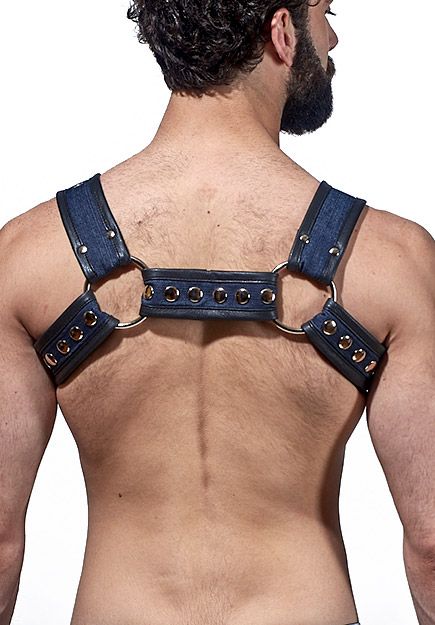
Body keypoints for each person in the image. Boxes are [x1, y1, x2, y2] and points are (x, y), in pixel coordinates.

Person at [0, 0, 434, 624]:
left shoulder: (27, 256)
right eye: (327, 12)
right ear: (282, 32)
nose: (333, 38)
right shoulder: (393, 260)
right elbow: (432, 541)